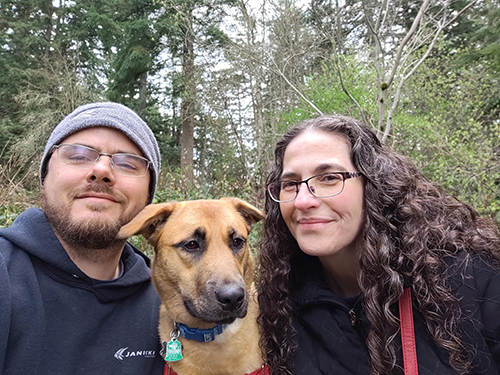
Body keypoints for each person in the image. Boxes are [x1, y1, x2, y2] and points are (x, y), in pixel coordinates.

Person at [257, 115, 500, 375]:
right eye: (290, 184)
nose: (303, 201)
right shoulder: (280, 304)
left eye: (329, 178)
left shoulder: (469, 278)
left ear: (372, 183)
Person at [0, 102, 165, 374]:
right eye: (78, 155)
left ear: (148, 196)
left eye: (127, 162)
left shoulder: (167, 303)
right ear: (45, 176)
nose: (101, 170)